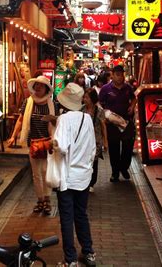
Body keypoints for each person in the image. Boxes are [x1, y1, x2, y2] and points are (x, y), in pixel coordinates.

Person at [53, 83, 96, 267]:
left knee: (67, 217)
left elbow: (61, 147)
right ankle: (88, 252)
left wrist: (52, 144)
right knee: (81, 214)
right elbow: (93, 148)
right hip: (84, 176)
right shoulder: (87, 119)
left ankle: (70, 259)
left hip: (67, 175)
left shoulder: (63, 119)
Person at [7, 76, 55, 215]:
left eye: (41, 85)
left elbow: (55, 123)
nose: (38, 87)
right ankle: (40, 200)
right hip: (33, 142)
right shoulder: (28, 102)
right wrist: (13, 136)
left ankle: (47, 200)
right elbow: (21, 120)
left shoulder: (51, 104)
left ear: (46, 88)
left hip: (47, 141)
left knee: (46, 171)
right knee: (36, 174)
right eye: (37, 85)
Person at [98, 65, 137, 182]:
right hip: (112, 124)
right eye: (118, 75)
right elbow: (100, 104)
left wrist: (132, 105)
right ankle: (115, 172)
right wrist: (105, 115)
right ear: (112, 75)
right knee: (114, 149)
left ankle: (124, 168)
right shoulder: (105, 89)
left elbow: (134, 98)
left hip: (126, 122)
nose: (120, 77)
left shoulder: (128, 87)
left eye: (122, 75)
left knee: (128, 147)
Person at [82, 88, 108, 193]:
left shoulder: (99, 111)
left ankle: (92, 183)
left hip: (96, 140)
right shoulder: (81, 110)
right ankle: (85, 181)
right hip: (84, 140)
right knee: (85, 162)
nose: (84, 99)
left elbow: (103, 126)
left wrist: (105, 141)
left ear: (92, 98)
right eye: (84, 97)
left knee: (94, 162)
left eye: (87, 97)